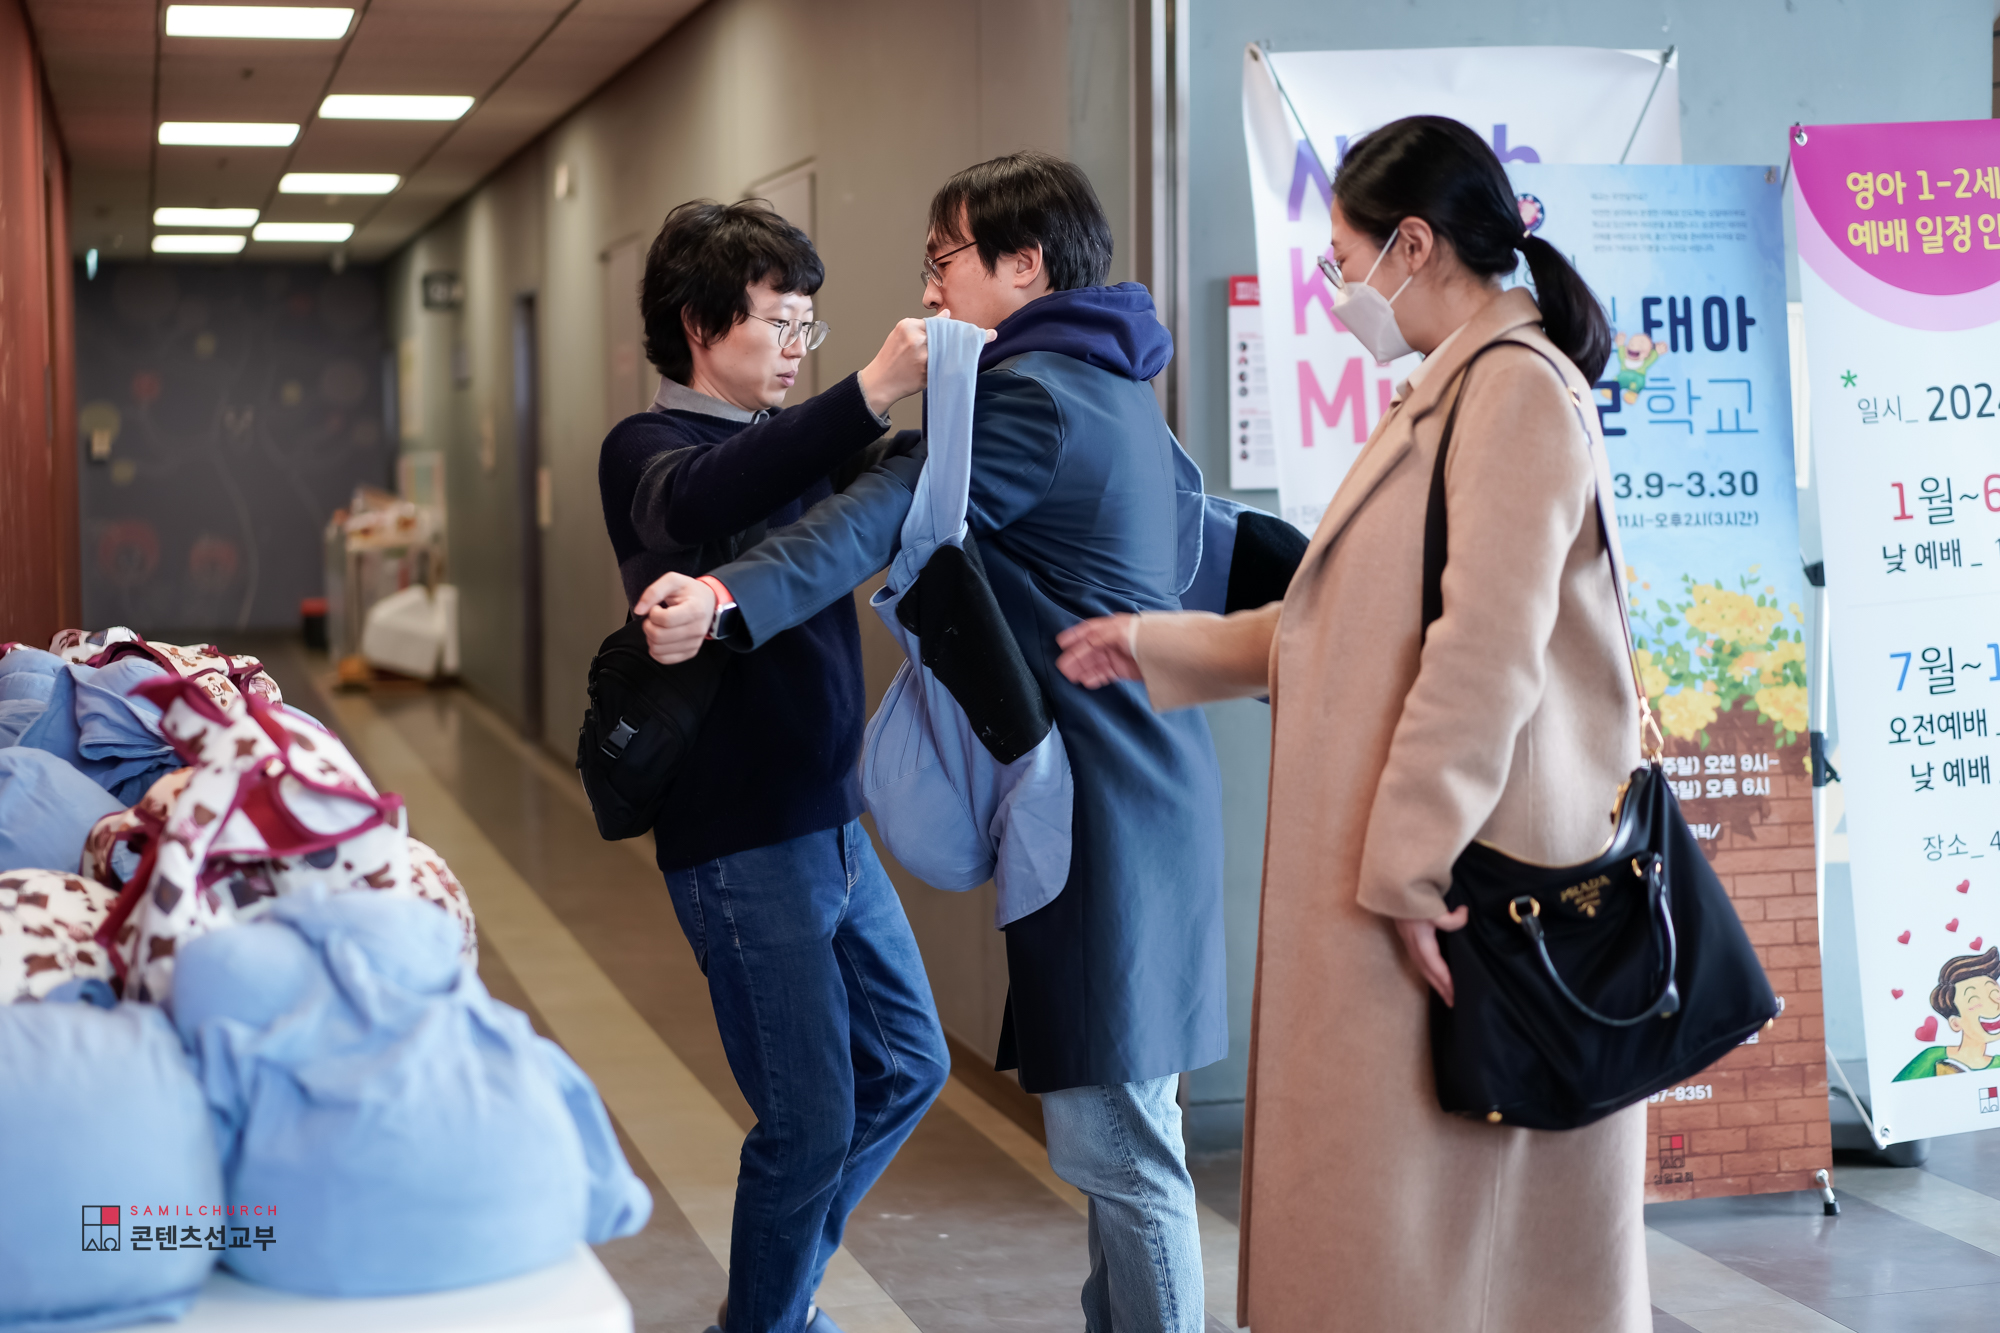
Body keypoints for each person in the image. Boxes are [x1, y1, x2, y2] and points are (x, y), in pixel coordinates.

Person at [1055, 116, 1649, 1332]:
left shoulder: (1512, 392)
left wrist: (1412, 865)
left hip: (1471, 884)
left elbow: (1483, 651)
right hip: (1430, 874)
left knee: (1462, 1246)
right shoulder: (1450, 390)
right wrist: (1157, 645)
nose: (1336, 290)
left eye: (1341, 259)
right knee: (1415, 1236)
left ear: (1411, 246)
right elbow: (1347, 622)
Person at [637, 153, 1225, 1333]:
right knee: (1130, 1125)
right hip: (1147, 788)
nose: (927, 287)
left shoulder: (1028, 395)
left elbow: (878, 515)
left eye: (941, 259)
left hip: (1097, 806)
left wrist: (729, 594)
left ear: (1024, 264)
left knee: (1121, 1149)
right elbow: (1212, 543)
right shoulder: (1112, 385)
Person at [596, 199, 954, 1333]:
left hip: (834, 823)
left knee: (908, 1066)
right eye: (779, 323)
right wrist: (872, 387)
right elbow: (708, 497)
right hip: (740, 841)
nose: (798, 348)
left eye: (810, 325)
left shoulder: (799, 441)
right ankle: (769, 1320)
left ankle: (774, 1304)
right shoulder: (647, 451)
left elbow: (882, 476)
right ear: (701, 325)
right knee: (806, 1123)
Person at [1895, 945, 2000, 1079]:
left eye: (1995, 993)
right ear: (1955, 1023)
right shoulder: (1932, 1058)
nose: (1995, 1004)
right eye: (1974, 1000)